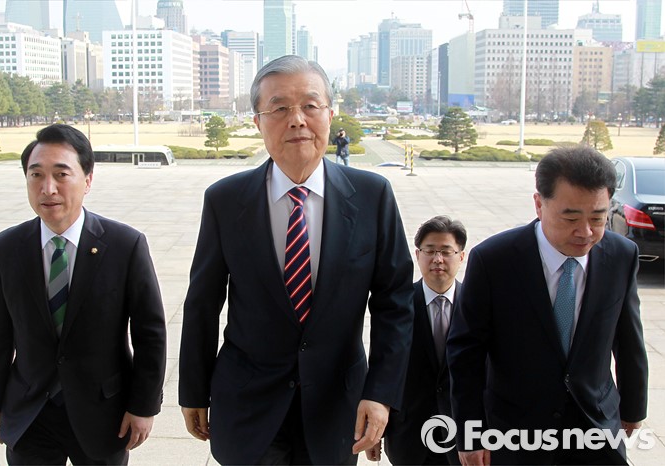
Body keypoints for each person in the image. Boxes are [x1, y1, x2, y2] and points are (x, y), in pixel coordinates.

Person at [179, 55, 414, 465]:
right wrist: (193, 391)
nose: (297, 120)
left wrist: (380, 393)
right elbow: (202, 303)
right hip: (248, 404)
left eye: (310, 105)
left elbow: (395, 303)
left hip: (337, 407)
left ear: (330, 115)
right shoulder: (225, 200)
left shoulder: (373, 196)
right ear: (257, 121)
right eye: (280, 108)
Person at [447, 146, 648, 466]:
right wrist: (470, 434)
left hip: (596, 425)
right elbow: (465, 352)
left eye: (598, 218)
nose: (585, 232)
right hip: (516, 431)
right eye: (571, 217)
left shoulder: (621, 256)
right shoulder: (495, 261)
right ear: (539, 204)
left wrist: (634, 408)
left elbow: (628, 338)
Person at [0, 124, 167, 465]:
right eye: (36, 175)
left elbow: (150, 333)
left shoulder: (125, 245)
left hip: (103, 412)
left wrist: (143, 406)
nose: (48, 188)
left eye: (61, 174)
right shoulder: (5, 248)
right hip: (29, 412)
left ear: (88, 180)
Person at [377, 216, 466, 465]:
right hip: (409, 435)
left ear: (461, 256)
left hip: (462, 436)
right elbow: (384, 365)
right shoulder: (398, 304)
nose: (437, 259)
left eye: (446, 251)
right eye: (430, 251)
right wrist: (376, 429)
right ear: (417, 255)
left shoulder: (477, 304)